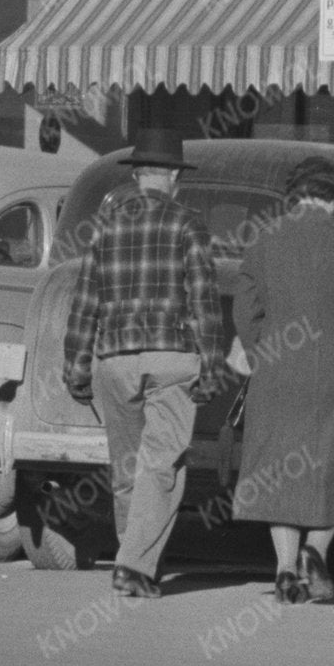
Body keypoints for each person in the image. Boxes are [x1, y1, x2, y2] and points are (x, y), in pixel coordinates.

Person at [59, 135, 227, 594]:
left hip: (115, 358)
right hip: (173, 356)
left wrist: (76, 365)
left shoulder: (107, 224)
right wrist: (211, 367)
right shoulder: (189, 223)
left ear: (136, 176)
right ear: (173, 177)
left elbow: (85, 299)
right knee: (162, 464)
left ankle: (130, 556)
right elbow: (204, 302)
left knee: (128, 466)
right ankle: (134, 565)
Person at [228, 156, 334, 604]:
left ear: (293, 194)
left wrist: (262, 345)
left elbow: (244, 307)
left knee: (280, 467)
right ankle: (315, 553)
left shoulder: (264, 238)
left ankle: (284, 569)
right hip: (333, 370)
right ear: (332, 198)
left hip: (276, 372)